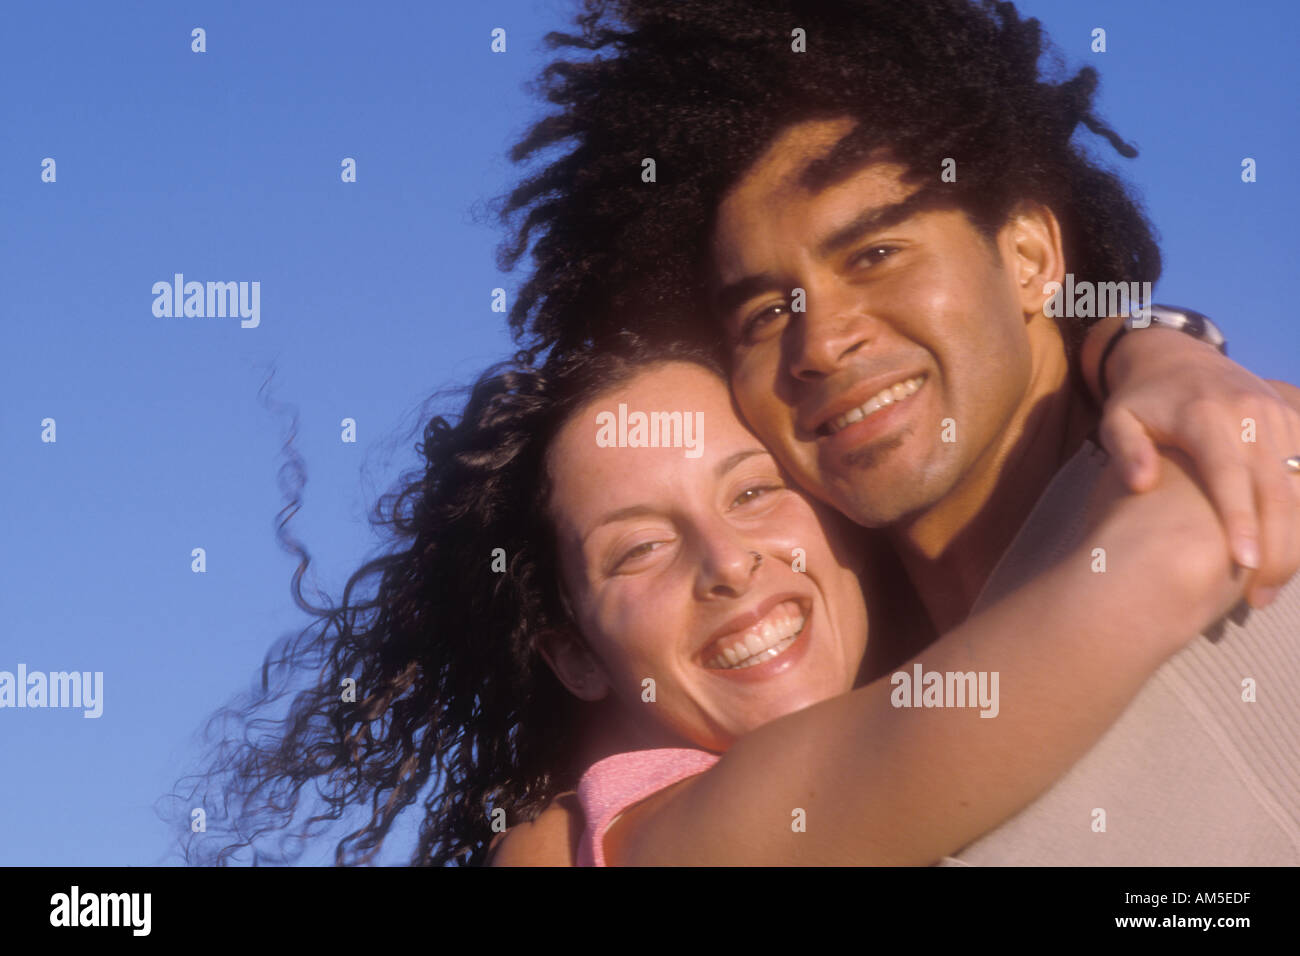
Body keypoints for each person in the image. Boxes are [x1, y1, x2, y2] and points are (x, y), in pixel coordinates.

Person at [493, 0, 1300, 863]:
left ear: (1030, 260)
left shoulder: (1248, 473)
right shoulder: (845, 726)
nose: (823, 340)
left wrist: (1147, 349)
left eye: (876, 254)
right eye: (767, 313)